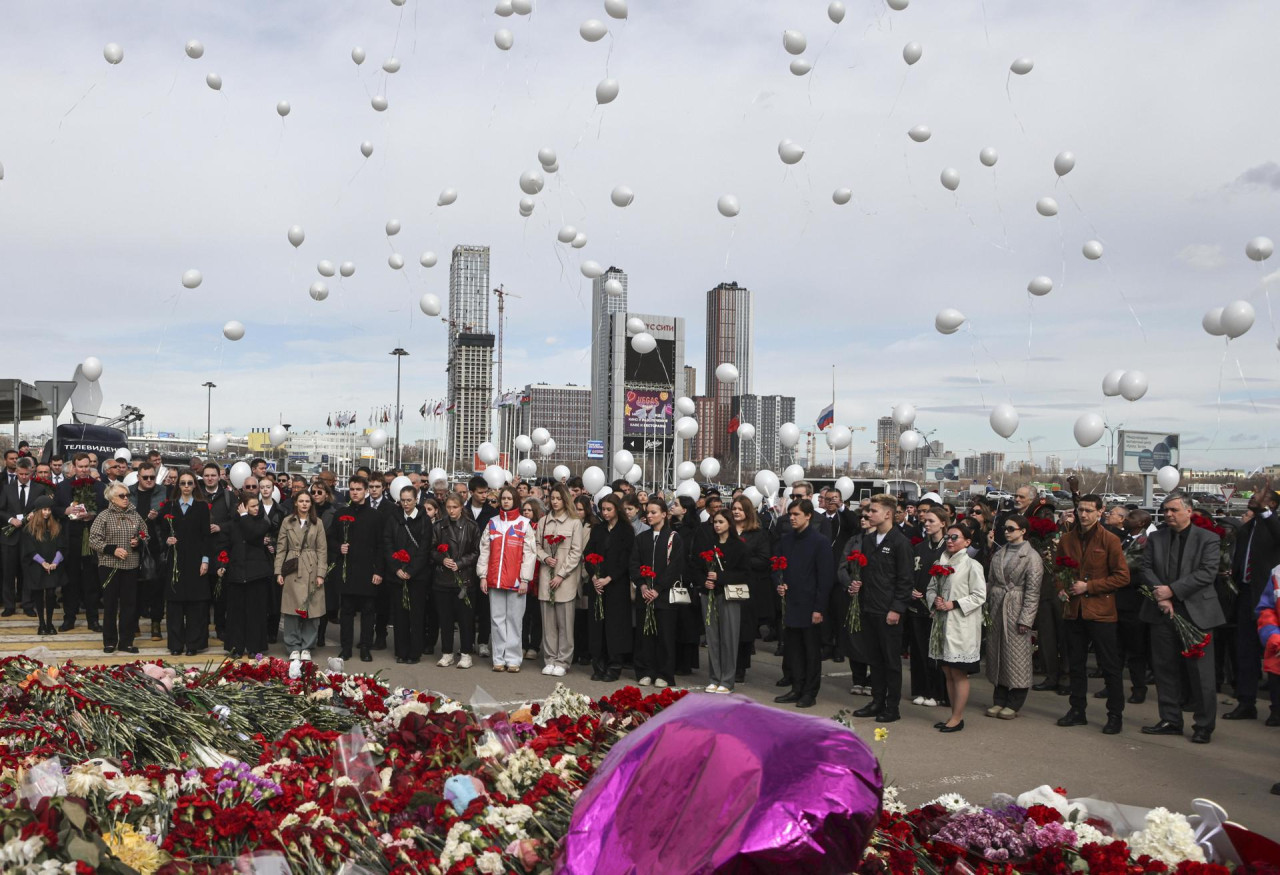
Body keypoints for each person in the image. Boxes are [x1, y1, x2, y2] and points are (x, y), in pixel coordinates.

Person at [1139, 493, 1224, 744]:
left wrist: (1173, 590)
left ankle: (1204, 725)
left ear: (1189, 511)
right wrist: (1161, 595)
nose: (1168, 515)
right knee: (1165, 669)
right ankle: (1170, 719)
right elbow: (1145, 568)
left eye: (1174, 510)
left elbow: (1207, 572)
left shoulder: (1208, 538)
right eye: (1165, 510)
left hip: (1197, 614)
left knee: (1201, 674)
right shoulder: (1156, 537)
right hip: (1162, 611)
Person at [1054, 493, 1130, 735]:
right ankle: (1077, 710)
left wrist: (1090, 586)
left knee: (1109, 666)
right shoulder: (1067, 539)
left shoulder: (1110, 540)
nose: (1083, 515)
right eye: (1080, 510)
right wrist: (1061, 589)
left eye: (1088, 510)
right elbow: (1057, 570)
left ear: (1100, 512)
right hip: (1074, 611)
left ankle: (1115, 714)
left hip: (1101, 612)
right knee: (1076, 664)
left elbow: (1122, 576)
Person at [851, 494, 915, 723]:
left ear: (888, 514)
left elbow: (905, 580)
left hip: (889, 611)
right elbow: (867, 572)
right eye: (868, 511)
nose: (868, 514)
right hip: (870, 607)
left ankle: (892, 706)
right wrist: (857, 584)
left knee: (891, 661)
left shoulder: (900, 542)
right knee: (874, 659)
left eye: (874, 511)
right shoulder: (868, 541)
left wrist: (897, 608)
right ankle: (877, 701)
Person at [771, 499, 833, 708]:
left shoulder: (820, 542)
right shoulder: (786, 540)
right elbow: (777, 566)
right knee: (793, 650)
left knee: (811, 651)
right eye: (790, 514)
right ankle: (796, 687)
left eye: (796, 514)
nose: (792, 518)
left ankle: (809, 692)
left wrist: (819, 608)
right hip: (791, 603)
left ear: (808, 516)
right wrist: (778, 583)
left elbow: (825, 578)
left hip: (810, 604)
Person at [926, 520, 987, 732]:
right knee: (947, 670)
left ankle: (957, 717)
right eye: (948, 537)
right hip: (942, 623)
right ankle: (953, 713)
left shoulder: (972, 565)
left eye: (955, 538)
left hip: (961, 624)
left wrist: (953, 604)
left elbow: (980, 595)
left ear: (967, 542)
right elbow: (931, 587)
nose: (950, 541)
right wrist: (935, 600)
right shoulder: (940, 563)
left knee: (958, 672)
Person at [1227, 483, 1280, 721]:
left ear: (1271, 504)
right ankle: (1246, 702)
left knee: (1274, 652)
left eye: (1259, 495)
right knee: (1245, 652)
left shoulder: (1273, 523)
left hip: (1271, 599)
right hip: (1247, 595)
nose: (1252, 496)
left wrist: (1265, 513)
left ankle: (1277, 709)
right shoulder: (1249, 527)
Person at [984, 513, 1042, 718]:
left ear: (1023, 531)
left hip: (1016, 607)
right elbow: (990, 581)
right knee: (997, 653)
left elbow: (1033, 591)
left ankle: (1015, 701)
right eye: (1005, 529)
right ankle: (998, 699)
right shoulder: (999, 553)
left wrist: (1026, 618)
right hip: (997, 606)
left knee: (1017, 656)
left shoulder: (1032, 557)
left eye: (1011, 529)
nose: (1006, 532)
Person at [478, 485, 536, 672]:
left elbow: (530, 554)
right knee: (497, 619)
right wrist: (483, 576)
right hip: (495, 580)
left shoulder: (523, 524)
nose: (505, 501)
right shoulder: (492, 523)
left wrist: (525, 579)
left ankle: (513, 659)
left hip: (516, 581)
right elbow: (484, 551)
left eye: (509, 498)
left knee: (514, 620)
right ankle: (498, 658)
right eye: (503, 498)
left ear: (516, 501)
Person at [631, 498, 685, 688]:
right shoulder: (641, 538)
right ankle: (645, 670)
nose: (650, 515)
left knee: (665, 635)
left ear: (664, 514)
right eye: (648, 512)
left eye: (654, 512)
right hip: (645, 595)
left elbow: (675, 567)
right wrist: (643, 586)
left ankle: (664, 673)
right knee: (644, 635)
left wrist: (658, 588)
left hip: (664, 596)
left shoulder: (673, 537)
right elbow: (634, 564)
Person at [88, 482, 148, 654]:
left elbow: (146, 534)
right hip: (109, 565)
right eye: (121, 496)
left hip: (131, 566)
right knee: (110, 604)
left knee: (129, 604)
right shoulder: (104, 516)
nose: (125, 499)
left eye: (127, 495)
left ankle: (126, 641)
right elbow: (93, 540)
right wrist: (112, 549)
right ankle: (109, 641)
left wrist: (138, 541)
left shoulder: (135, 515)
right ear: (112, 499)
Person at [331, 475, 385, 662]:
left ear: (366, 491)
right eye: (352, 489)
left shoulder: (376, 516)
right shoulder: (340, 514)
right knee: (346, 611)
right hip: (347, 571)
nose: (355, 492)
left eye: (359, 489)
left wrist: (379, 571)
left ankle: (365, 647)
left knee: (368, 612)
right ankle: (346, 648)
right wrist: (339, 547)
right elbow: (331, 539)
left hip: (368, 571)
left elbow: (381, 545)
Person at [161, 471, 213, 656]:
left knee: (195, 606)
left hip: (195, 561)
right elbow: (161, 532)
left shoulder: (201, 507)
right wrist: (167, 541)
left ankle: (193, 644)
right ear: (178, 486)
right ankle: (175, 644)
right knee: (175, 606)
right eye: (182, 483)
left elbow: (206, 537)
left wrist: (205, 560)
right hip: (175, 562)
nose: (186, 486)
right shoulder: (170, 507)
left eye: (190, 483)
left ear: (194, 486)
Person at [536, 483, 586, 677]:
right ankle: (549, 658)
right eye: (552, 498)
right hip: (545, 575)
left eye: (559, 498)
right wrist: (544, 557)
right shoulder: (544, 521)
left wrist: (560, 574)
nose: (555, 502)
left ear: (565, 499)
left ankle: (563, 660)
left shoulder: (574, 522)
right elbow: (537, 545)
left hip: (565, 578)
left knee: (565, 623)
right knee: (548, 622)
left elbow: (576, 552)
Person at [585, 494, 634, 682]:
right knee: (597, 624)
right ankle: (598, 664)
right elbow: (588, 553)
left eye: (608, 509)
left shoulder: (626, 531)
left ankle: (614, 666)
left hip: (616, 585)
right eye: (602, 509)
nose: (605, 513)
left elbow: (626, 559)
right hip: (597, 584)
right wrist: (594, 575)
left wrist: (609, 578)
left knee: (615, 626)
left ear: (617, 509)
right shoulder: (598, 530)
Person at [275, 490, 327, 661]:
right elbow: (281, 548)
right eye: (301, 501)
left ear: (311, 504)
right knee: (291, 610)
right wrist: (279, 571)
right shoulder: (287, 522)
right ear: (295, 503)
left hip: (312, 568)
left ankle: (307, 646)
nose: (304, 504)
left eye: (307, 501)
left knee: (312, 610)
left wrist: (321, 573)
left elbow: (322, 549)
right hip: (293, 567)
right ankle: (292, 646)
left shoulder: (317, 523)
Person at [701, 508, 750, 694]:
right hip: (709, 594)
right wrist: (704, 581)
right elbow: (696, 566)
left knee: (729, 637)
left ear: (729, 523)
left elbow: (745, 573)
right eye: (715, 522)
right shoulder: (708, 544)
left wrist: (720, 577)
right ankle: (714, 677)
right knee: (712, 637)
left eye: (721, 521)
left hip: (729, 595)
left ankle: (727, 680)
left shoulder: (739, 546)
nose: (717, 525)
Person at [385, 484, 434, 665]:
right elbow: (388, 543)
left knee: (417, 614)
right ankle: (401, 651)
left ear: (416, 500)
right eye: (402, 500)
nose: (405, 504)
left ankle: (415, 651)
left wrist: (411, 571)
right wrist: (397, 568)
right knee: (400, 615)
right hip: (397, 574)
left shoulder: (424, 520)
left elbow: (424, 548)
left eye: (409, 500)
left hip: (417, 576)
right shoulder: (394, 518)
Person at [54, 453, 102, 632]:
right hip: (70, 539)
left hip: (92, 539)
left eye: (86, 466)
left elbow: (105, 508)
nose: (83, 470)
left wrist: (93, 514)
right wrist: (65, 510)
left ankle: (93, 620)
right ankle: (69, 618)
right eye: (80, 466)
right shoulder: (63, 487)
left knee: (91, 583)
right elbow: (54, 509)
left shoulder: (99, 486)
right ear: (73, 467)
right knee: (70, 582)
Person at [222, 495, 274, 657]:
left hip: (256, 574)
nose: (256, 509)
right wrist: (222, 565)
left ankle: (254, 647)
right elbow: (225, 546)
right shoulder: (232, 525)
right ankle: (235, 647)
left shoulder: (262, 523)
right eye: (252, 506)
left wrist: (245, 516)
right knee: (236, 613)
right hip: (237, 572)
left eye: (257, 506)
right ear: (242, 507)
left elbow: (252, 534)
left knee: (255, 612)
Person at [909, 507, 950, 708]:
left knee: (935, 652)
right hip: (917, 607)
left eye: (931, 521)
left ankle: (937, 692)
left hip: (937, 609)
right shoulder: (919, 548)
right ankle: (920, 689)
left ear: (943, 523)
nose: (926, 524)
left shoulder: (948, 550)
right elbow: (910, 573)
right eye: (924, 521)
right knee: (918, 651)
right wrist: (911, 590)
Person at [433, 493, 480, 669]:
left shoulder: (471, 526)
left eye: (455, 507)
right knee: (445, 619)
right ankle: (447, 652)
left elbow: (477, 551)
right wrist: (441, 559)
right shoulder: (439, 526)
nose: (451, 511)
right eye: (449, 507)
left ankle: (466, 653)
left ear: (462, 507)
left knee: (465, 619)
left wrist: (460, 563)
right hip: (443, 579)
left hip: (464, 578)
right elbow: (431, 548)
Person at [732, 495, 773, 684]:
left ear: (748, 511)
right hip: (726, 584)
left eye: (740, 509)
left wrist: (742, 562)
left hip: (748, 586)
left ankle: (741, 666)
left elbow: (764, 560)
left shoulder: (757, 534)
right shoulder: (726, 530)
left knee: (744, 628)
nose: (736, 512)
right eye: (734, 508)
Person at [2, 457, 49, 618]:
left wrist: (34, 516)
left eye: (26, 474)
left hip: (30, 536)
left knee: (29, 570)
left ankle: (28, 604)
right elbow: (1, 510)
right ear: (16, 472)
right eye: (20, 474)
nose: (23, 477)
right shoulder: (7, 489)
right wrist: (10, 519)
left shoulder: (39, 489)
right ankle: (9, 605)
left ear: (31, 472)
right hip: (10, 537)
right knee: (8, 572)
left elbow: (44, 509)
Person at [129, 463, 166, 641]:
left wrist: (158, 516)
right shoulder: (128, 492)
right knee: (134, 587)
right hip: (133, 546)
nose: (150, 480)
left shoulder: (163, 492)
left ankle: (156, 624)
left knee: (156, 587)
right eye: (146, 477)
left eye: (152, 477)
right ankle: (134, 622)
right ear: (138, 478)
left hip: (156, 545)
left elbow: (169, 516)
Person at [20, 496, 67, 635]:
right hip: (37, 566)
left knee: (51, 594)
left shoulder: (56, 527)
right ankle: (41, 623)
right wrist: (43, 563)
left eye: (49, 510)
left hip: (53, 566)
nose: (47, 512)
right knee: (38, 594)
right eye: (44, 510)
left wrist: (54, 562)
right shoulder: (29, 529)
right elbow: (29, 550)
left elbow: (62, 546)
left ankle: (50, 622)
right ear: (38, 511)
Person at [520, 498, 545, 660]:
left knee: (537, 615)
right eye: (524, 510)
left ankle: (534, 646)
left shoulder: (541, 528)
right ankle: (522, 644)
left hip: (538, 574)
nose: (526, 513)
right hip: (523, 574)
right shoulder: (520, 527)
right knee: (523, 614)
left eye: (529, 510)